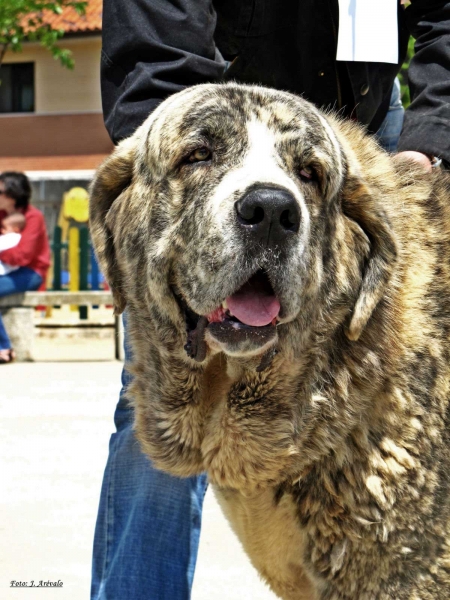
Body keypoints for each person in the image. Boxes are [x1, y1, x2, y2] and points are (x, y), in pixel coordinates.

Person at [91, 1, 450, 599]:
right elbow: (155, 42)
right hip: (213, 113)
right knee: (164, 407)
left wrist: (431, 138)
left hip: (362, 136)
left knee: (383, 405)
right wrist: (190, 152)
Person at [0, 172, 51, 364]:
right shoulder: (2, 215)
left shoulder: (33, 217)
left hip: (31, 272)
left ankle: (4, 348)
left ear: (12, 195)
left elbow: (23, 256)